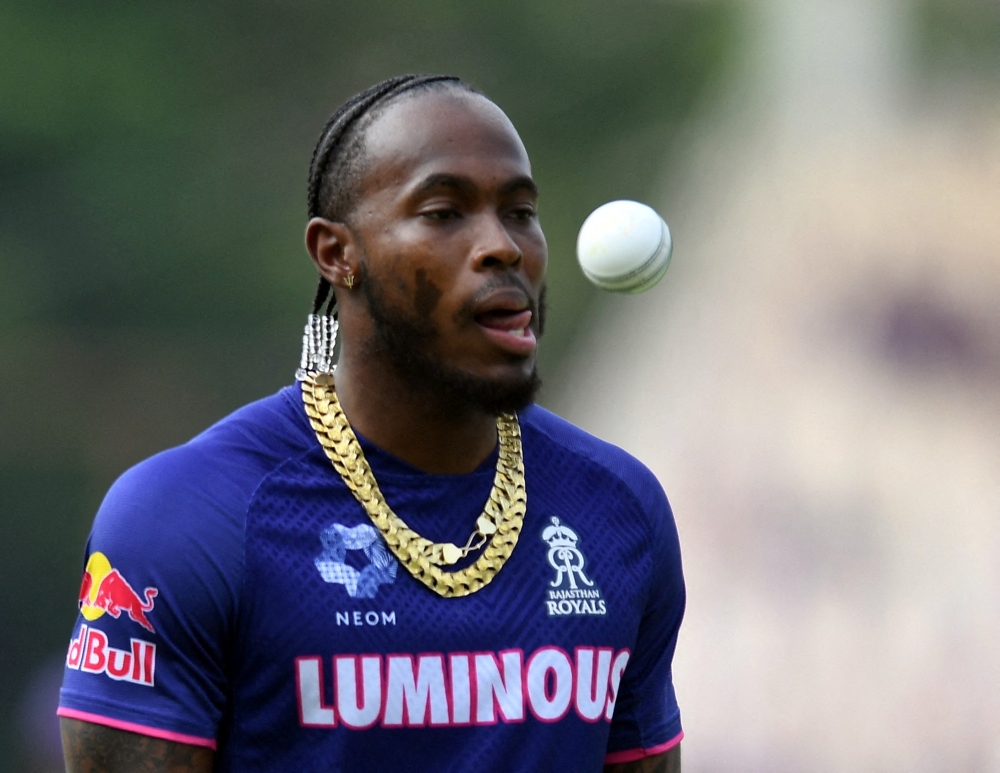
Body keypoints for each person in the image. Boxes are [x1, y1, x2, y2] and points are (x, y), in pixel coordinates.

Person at [57, 74, 686, 773]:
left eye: (520, 212)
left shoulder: (619, 507)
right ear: (337, 254)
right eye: (445, 211)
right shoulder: (185, 517)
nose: (503, 246)